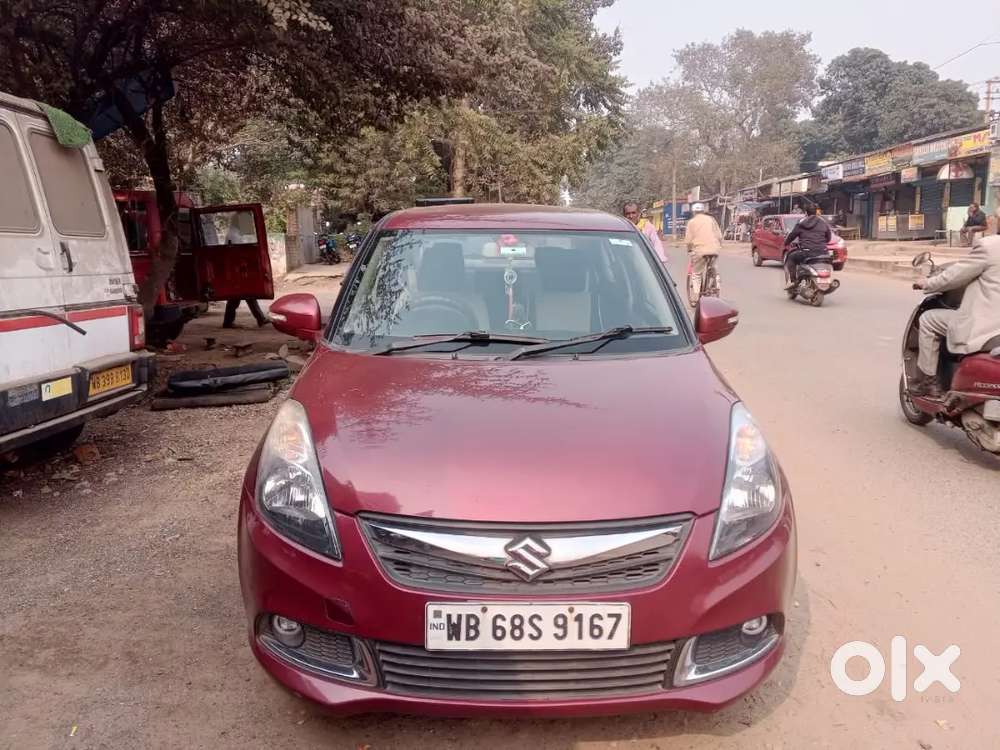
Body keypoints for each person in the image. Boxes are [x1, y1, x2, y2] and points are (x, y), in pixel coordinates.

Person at [910, 232, 1000, 398]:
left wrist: (927, 283)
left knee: (928, 320)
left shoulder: (989, 246)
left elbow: (955, 276)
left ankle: (928, 382)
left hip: (985, 325)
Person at [783, 213, 832, 290]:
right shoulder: (823, 222)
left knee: (791, 257)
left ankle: (793, 281)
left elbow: (792, 235)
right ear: (816, 212)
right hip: (823, 252)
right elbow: (829, 238)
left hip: (807, 252)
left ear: (806, 212)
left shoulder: (801, 223)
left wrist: (786, 243)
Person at [685, 202, 723, 301]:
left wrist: (689, 250)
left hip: (699, 250)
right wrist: (719, 245)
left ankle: (696, 297)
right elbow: (719, 236)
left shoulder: (691, 222)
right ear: (703, 211)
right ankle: (716, 280)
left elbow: (688, 240)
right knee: (713, 265)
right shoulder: (711, 220)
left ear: (694, 212)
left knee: (696, 273)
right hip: (714, 249)